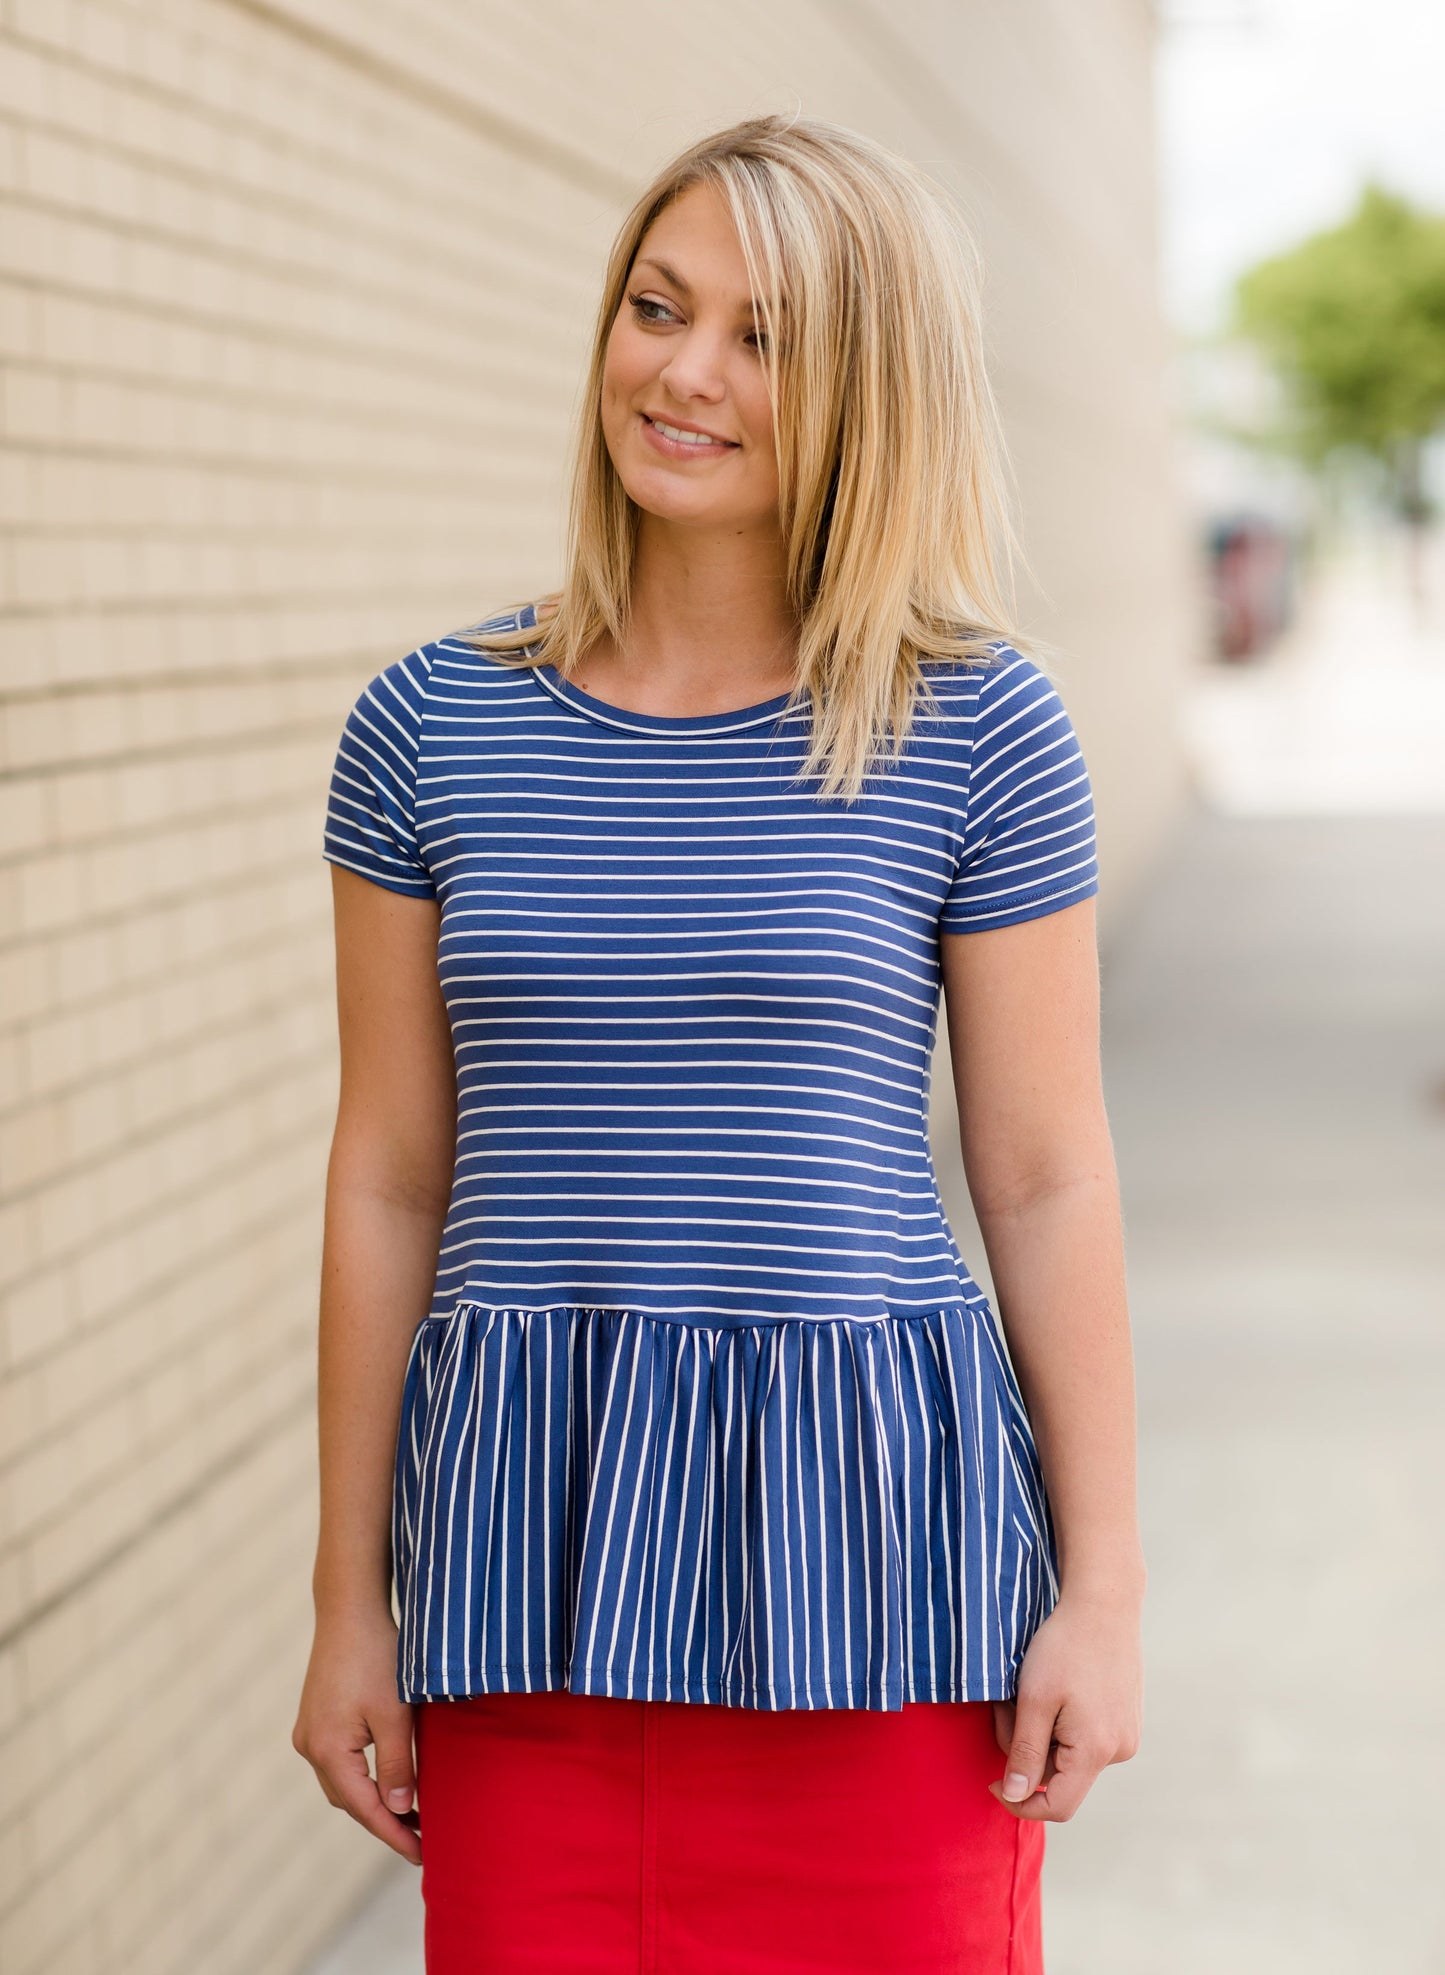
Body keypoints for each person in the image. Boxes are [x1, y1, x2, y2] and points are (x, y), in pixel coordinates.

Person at [292, 111, 1145, 1973]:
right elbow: (388, 1177)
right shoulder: (431, 730)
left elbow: (1045, 1172)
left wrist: (1104, 1592)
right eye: (656, 306)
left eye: (762, 337)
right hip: (534, 1582)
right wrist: (346, 1596)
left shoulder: (974, 727)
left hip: (886, 1593)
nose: (680, 372)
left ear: (868, 386)